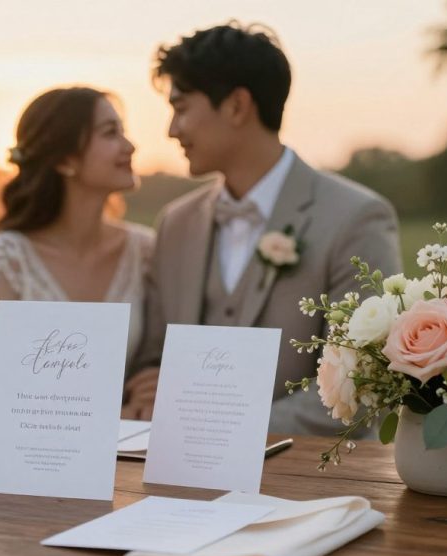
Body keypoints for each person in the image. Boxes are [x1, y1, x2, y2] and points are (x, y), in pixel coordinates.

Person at [123, 22, 402, 436]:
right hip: (179, 468)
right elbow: (154, 360)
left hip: (301, 473)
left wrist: (220, 429)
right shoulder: (175, 223)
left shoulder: (356, 218)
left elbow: (361, 385)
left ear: (237, 106)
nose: (171, 129)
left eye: (181, 108)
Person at [0, 86, 155, 407]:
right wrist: (122, 414)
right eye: (110, 133)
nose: (130, 146)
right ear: (65, 160)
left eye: (124, 132)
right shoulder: (6, 258)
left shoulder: (145, 251)